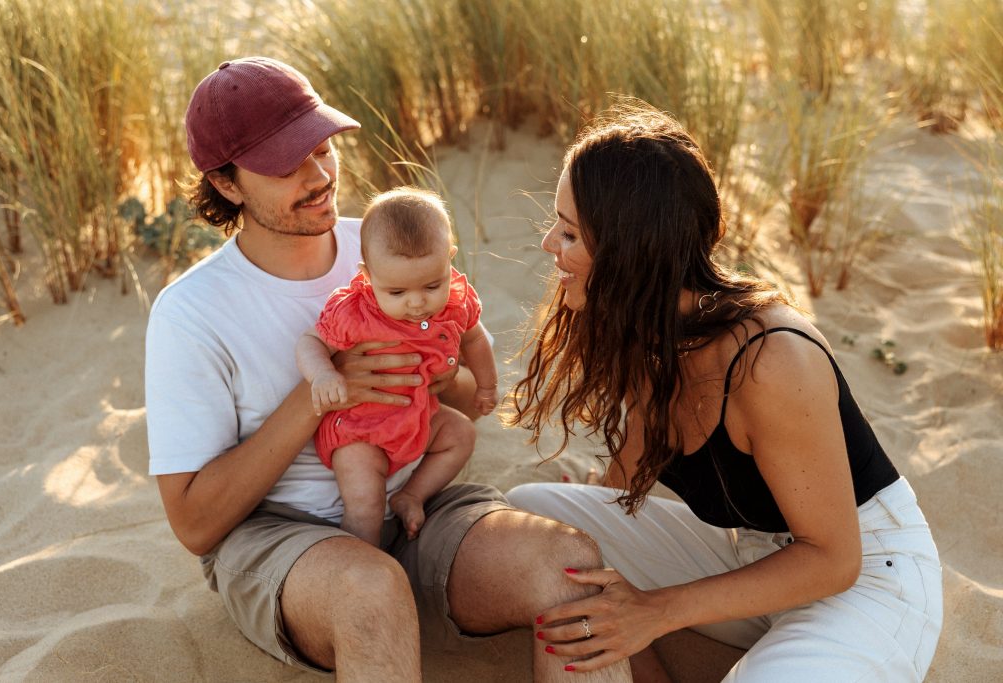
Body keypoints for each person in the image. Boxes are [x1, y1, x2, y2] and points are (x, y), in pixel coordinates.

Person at [144, 56, 633, 682]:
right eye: (287, 163)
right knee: (371, 590)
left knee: (569, 564)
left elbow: (452, 394)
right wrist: (322, 392)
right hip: (279, 538)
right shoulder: (191, 312)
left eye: (322, 147)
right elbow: (195, 522)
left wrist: (438, 379)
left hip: (415, 500)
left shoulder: (387, 244)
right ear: (227, 183)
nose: (320, 174)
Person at [506, 102, 943, 682]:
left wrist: (655, 612)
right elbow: (632, 462)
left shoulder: (771, 359)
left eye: (568, 231)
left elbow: (834, 558)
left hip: (863, 578)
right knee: (533, 520)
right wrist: (596, 511)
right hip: (751, 562)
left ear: (631, 251)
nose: (547, 245)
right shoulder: (647, 330)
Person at [296, 187, 498, 545]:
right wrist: (323, 374)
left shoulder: (455, 300)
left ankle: (412, 495)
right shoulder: (353, 311)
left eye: (432, 284)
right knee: (365, 504)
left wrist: (486, 385)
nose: (418, 302)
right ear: (368, 275)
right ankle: (364, 562)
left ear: (449, 260)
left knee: (462, 434)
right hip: (361, 430)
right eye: (397, 293)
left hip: (419, 416)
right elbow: (311, 342)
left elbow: (475, 339)